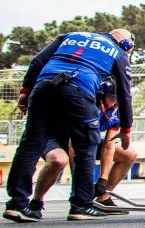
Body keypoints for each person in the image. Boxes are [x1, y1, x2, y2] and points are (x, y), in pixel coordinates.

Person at [4, 29, 134, 222]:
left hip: (44, 85)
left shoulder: (71, 36)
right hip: (79, 88)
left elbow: (38, 61)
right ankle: (81, 205)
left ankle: (17, 204)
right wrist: (126, 127)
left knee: (30, 144)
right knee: (85, 146)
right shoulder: (118, 51)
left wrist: (25, 89)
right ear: (127, 45)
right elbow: (124, 92)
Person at [27, 78, 138, 218]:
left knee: (128, 154)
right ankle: (36, 201)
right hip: (56, 138)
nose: (116, 102)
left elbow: (109, 146)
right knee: (58, 160)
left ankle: (102, 197)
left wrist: (102, 181)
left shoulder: (119, 109)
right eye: (114, 97)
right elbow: (74, 146)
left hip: (84, 140)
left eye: (120, 98)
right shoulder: (88, 104)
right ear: (102, 94)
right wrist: (82, 185)